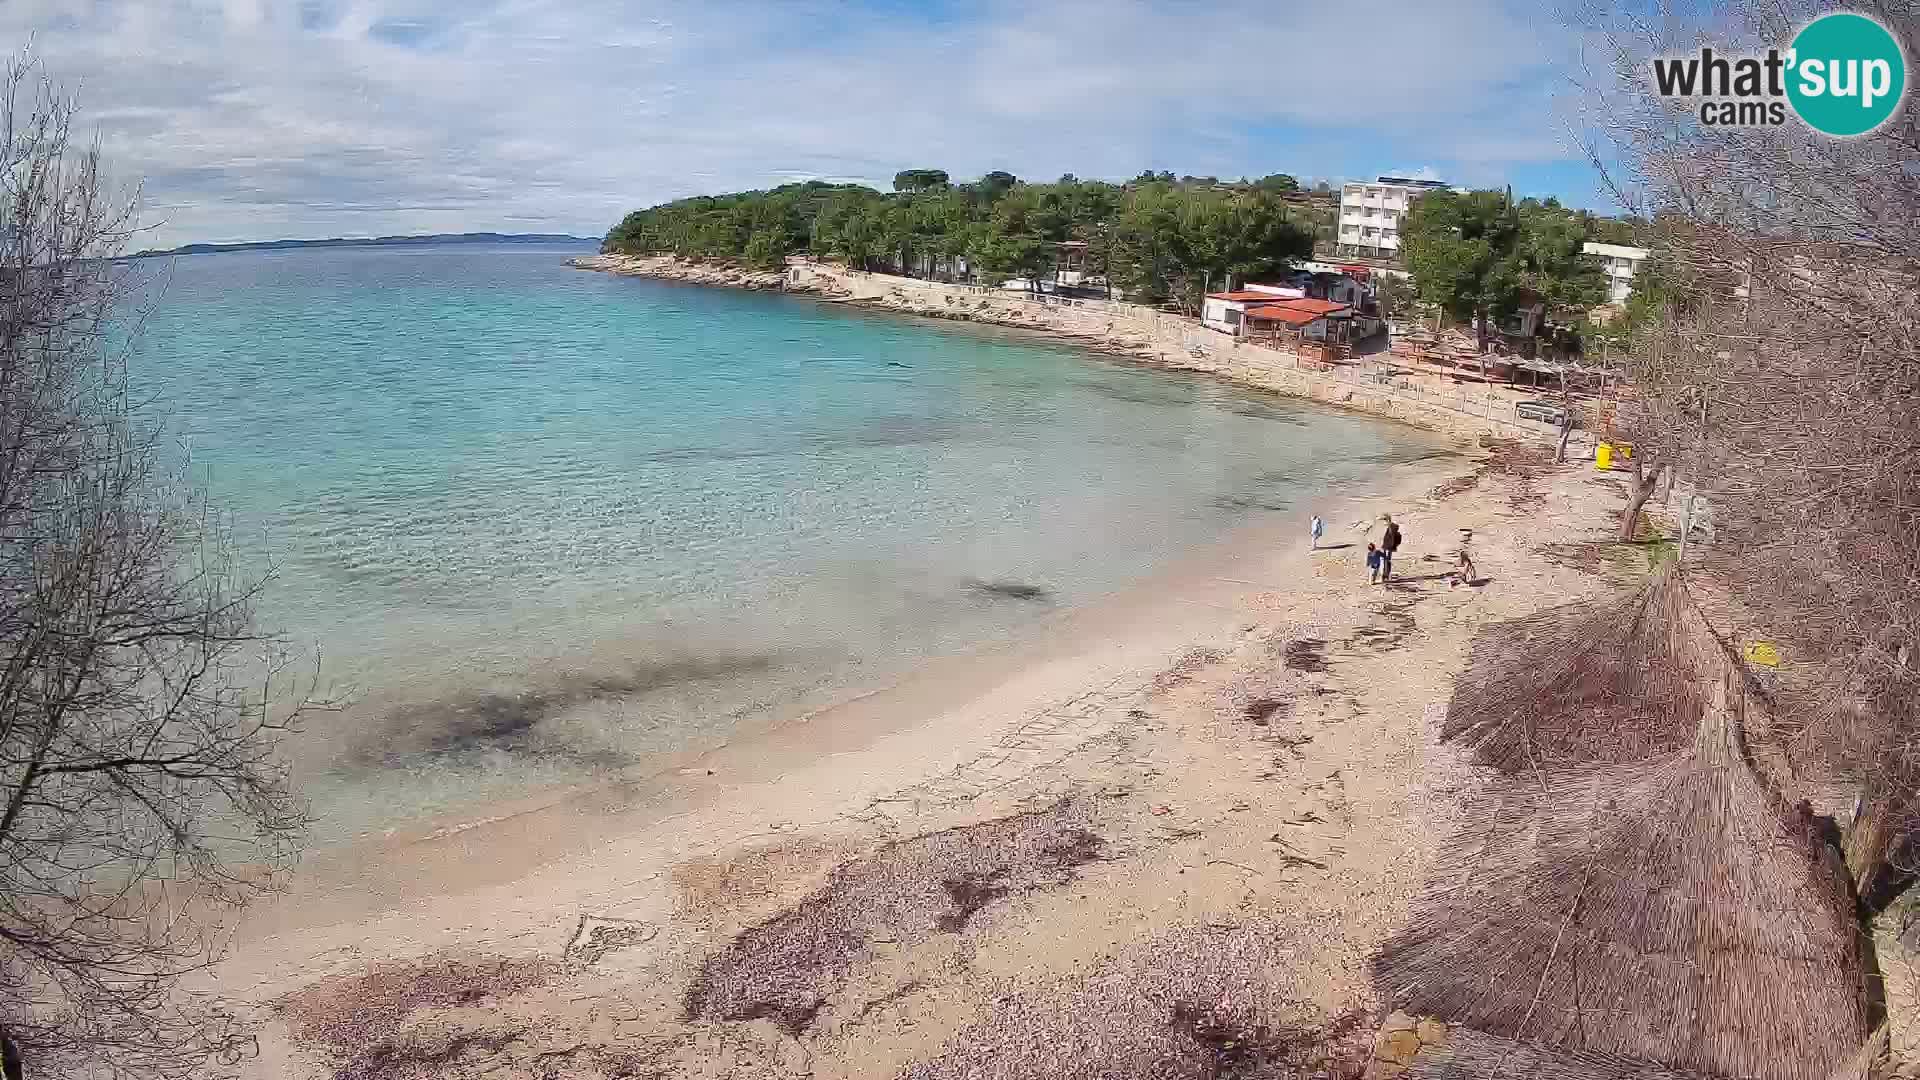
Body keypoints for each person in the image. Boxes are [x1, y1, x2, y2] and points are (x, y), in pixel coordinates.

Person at [1379, 515, 1403, 581]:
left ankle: (1385, 575)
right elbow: (1398, 541)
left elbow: (1393, 538)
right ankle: (1386, 575)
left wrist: (1391, 546)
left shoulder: (1392, 529)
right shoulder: (1394, 530)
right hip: (1388, 547)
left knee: (1385, 561)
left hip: (1387, 547)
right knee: (1387, 561)